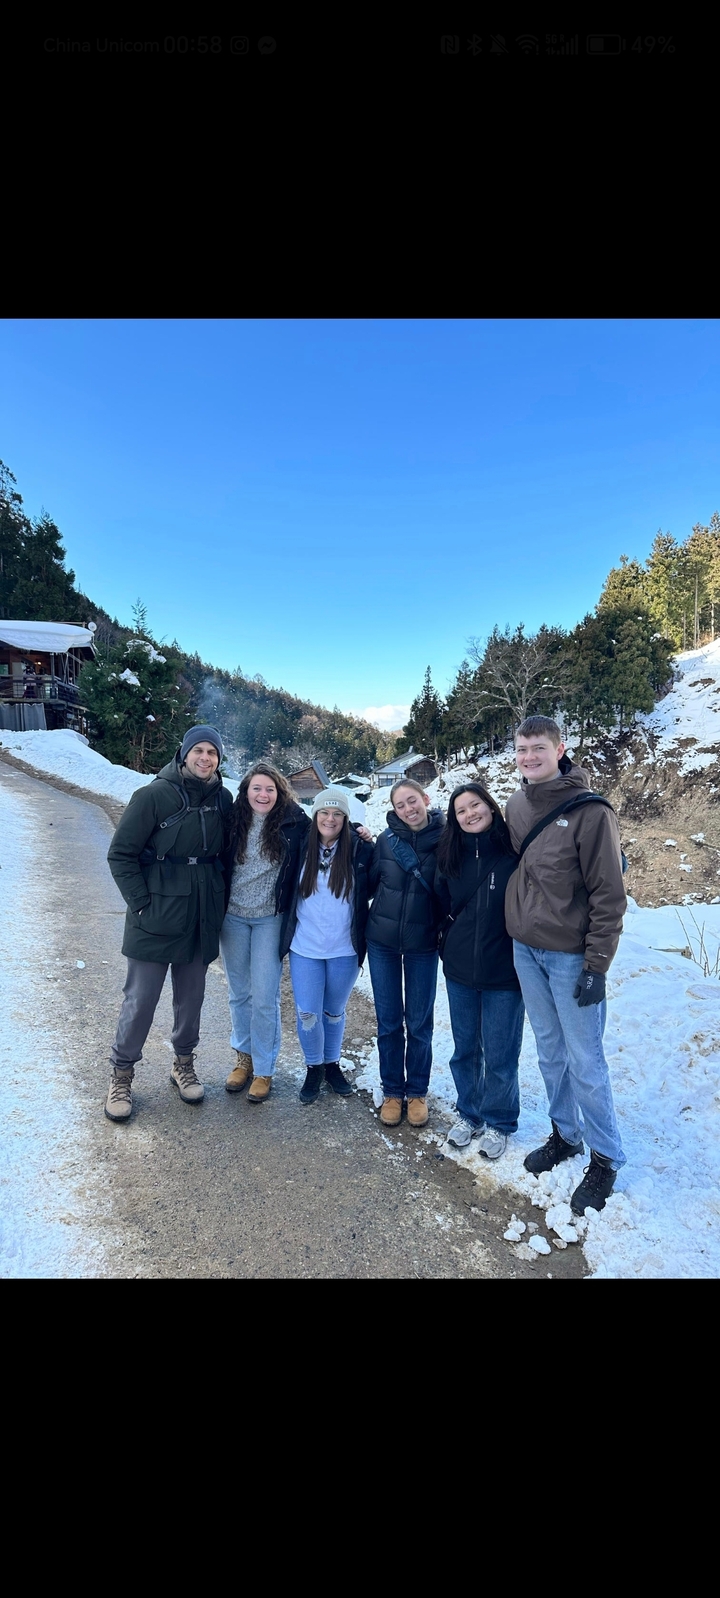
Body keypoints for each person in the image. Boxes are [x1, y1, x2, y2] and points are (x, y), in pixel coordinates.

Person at [504, 715, 627, 1214]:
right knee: (550, 1052)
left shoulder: (592, 813)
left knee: (586, 1059)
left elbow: (609, 894)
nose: (529, 757)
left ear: (560, 749)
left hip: (571, 957)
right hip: (524, 949)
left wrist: (597, 965)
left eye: (538, 748)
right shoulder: (515, 804)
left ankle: (605, 1157)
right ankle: (566, 1134)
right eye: (521, 750)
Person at [105, 724, 232, 1122]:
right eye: (199, 750)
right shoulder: (153, 796)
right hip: (155, 914)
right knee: (140, 1001)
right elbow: (121, 854)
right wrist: (141, 904)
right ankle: (122, 1075)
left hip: (200, 916)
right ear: (184, 754)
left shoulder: (224, 800)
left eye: (212, 752)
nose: (205, 758)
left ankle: (183, 1064)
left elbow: (238, 846)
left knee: (191, 999)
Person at [435, 783, 524, 1159]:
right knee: (466, 1048)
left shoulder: (514, 852)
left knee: (501, 1052)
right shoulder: (450, 856)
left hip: (504, 971)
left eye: (476, 806)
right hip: (459, 971)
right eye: (461, 811)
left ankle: (500, 1121)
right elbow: (440, 903)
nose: (470, 814)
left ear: (490, 807)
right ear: (454, 820)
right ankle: (469, 1113)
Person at [220, 761, 310, 1103]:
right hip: (233, 918)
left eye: (270, 789)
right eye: (257, 788)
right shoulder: (231, 820)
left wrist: (357, 830)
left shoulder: (293, 823)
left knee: (265, 995)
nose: (263, 794)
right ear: (246, 791)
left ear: (279, 793)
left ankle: (264, 1068)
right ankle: (242, 1059)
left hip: (271, 918)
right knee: (239, 992)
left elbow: (329, 829)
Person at [280, 788, 373, 1104]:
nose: (330, 819)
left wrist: (367, 837)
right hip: (305, 947)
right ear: (315, 815)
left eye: (337, 814)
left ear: (345, 819)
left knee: (333, 1012)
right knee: (308, 1013)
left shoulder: (360, 850)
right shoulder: (299, 846)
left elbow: (377, 884)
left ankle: (331, 1065)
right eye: (324, 812)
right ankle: (313, 1066)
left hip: (344, 949)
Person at [366, 778, 445, 1127]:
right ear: (393, 809)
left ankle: (417, 1092)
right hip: (381, 942)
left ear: (425, 798)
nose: (408, 809)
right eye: (400, 805)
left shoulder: (447, 840)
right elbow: (368, 883)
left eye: (412, 801)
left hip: (423, 944)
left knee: (419, 1021)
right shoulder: (386, 841)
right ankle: (392, 1091)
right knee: (387, 1021)